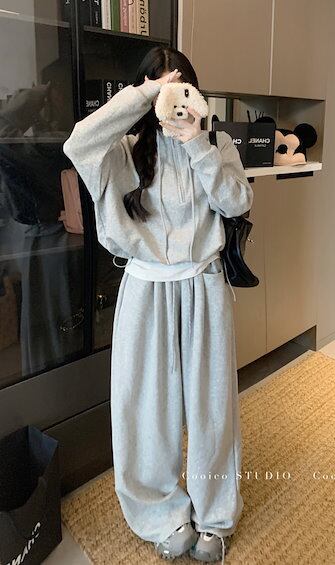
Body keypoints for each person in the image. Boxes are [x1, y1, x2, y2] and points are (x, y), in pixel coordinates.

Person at [63, 46, 254, 563]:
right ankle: (160, 512)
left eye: (181, 86)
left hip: (205, 286)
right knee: (146, 408)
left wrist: (197, 143)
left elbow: (237, 202)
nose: (174, 99)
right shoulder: (122, 150)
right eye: (162, 87)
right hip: (146, 290)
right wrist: (145, 95)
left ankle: (215, 514)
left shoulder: (216, 142)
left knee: (212, 406)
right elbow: (77, 143)